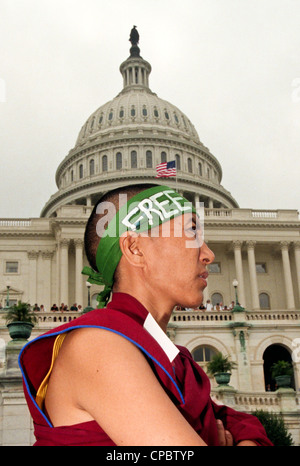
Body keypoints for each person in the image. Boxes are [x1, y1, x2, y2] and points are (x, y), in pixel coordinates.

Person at [19, 184, 272, 446]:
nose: (208, 254)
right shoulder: (99, 345)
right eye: (191, 233)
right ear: (135, 248)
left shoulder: (169, 355)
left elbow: (239, 421)